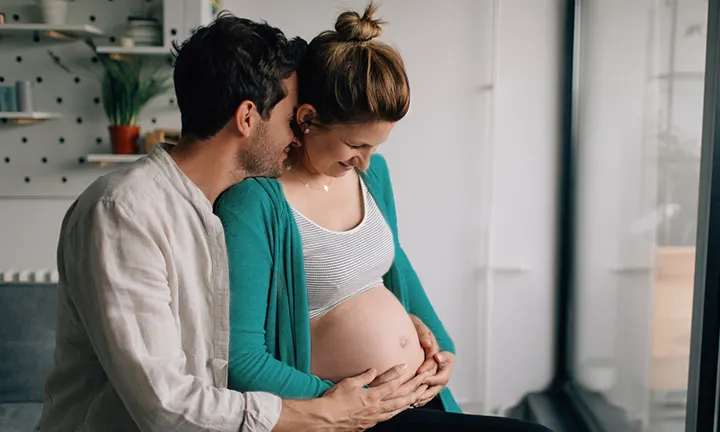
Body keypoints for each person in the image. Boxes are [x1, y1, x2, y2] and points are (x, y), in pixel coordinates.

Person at [39, 13, 423, 432]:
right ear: (247, 118)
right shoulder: (125, 212)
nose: (298, 135)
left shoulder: (215, 209)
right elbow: (165, 405)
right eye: (291, 117)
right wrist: (328, 411)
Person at [214, 3, 553, 431]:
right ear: (307, 119)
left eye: (376, 146)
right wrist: (342, 404)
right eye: (356, 145)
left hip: (413, 396)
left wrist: (441, 352)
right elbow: (242, 359)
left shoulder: (373, 178)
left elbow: (395, 263)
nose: (366, 162)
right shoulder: (255, 203)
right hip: (349, 419)